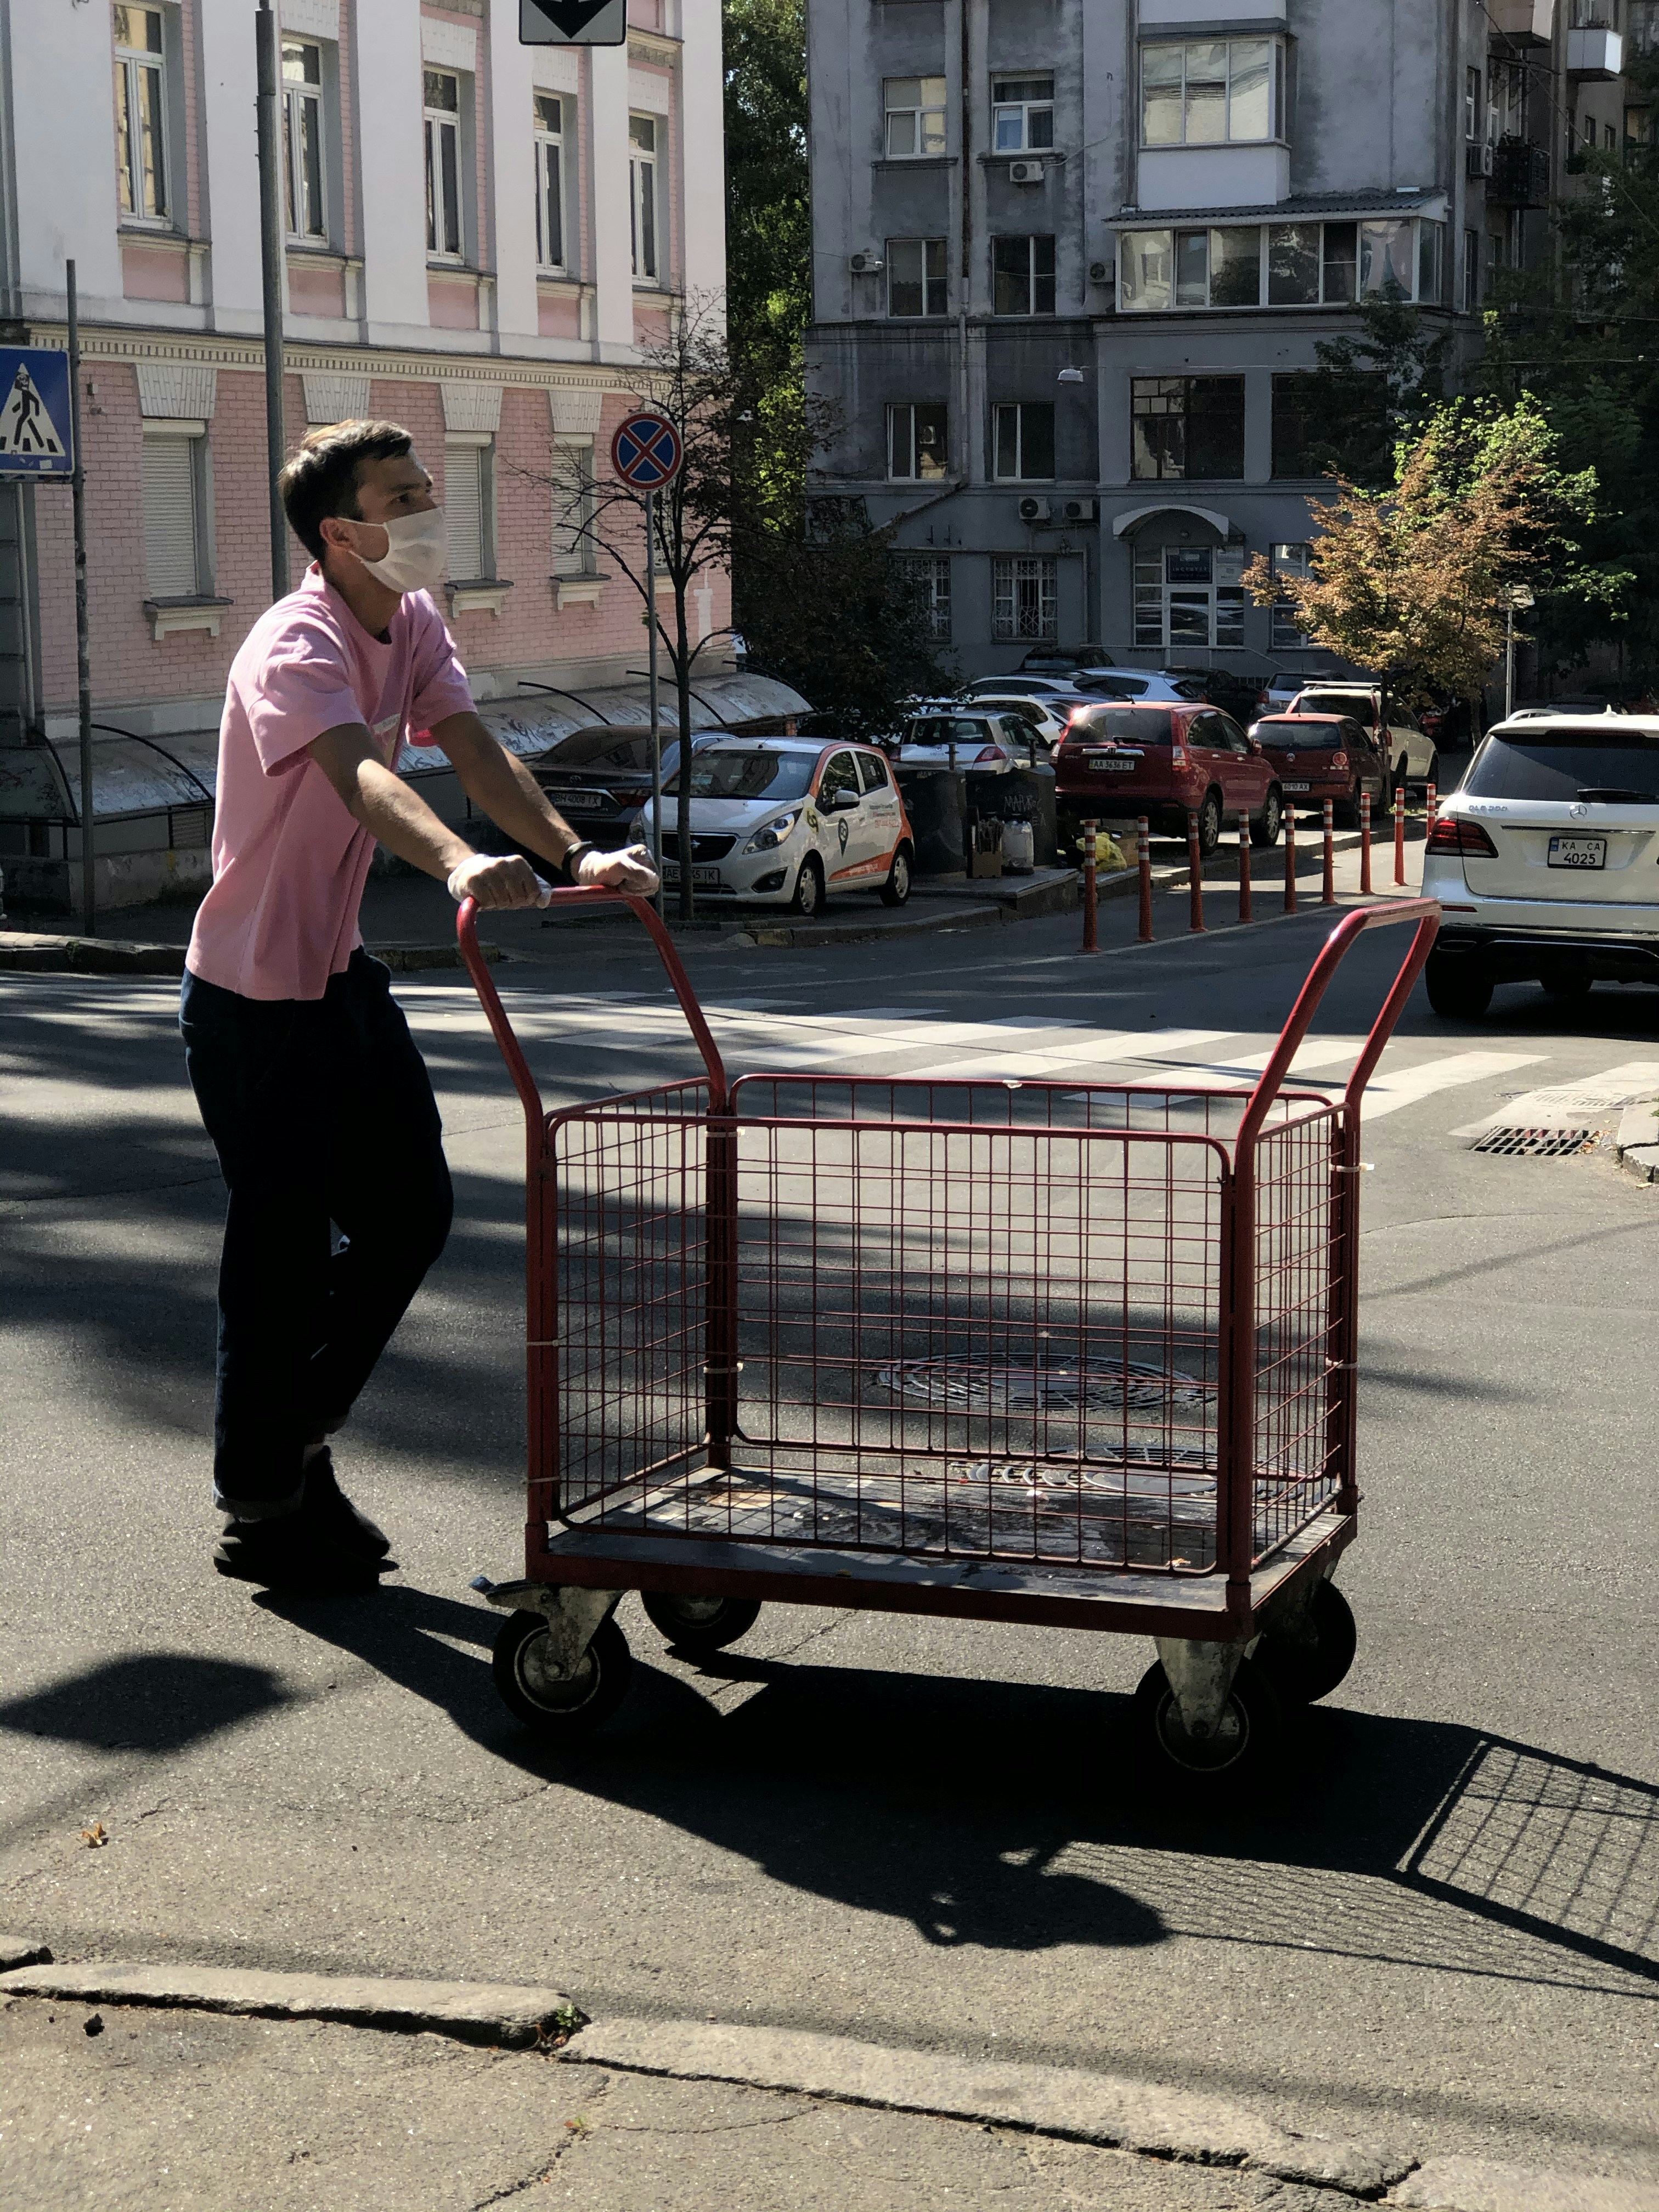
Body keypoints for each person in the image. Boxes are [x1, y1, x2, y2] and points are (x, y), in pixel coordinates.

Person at [179, 419, 656, 1592]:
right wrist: (455, 865)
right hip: (249, 998)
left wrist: (571, 856)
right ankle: (264, 1496)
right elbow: (364, 775)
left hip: (335, 977)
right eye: (408, 497)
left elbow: (477, 750)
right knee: (281, 1251)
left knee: (412, 1215)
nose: (433, 514)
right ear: (341, 532)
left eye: (431, 490)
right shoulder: (295, 644)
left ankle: (284, 1436)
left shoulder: (415, 621)